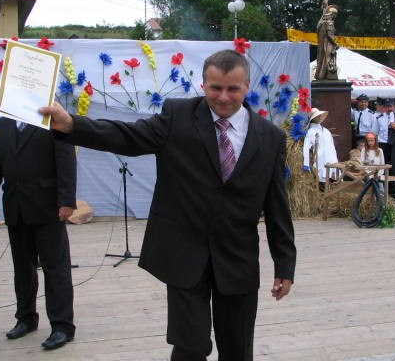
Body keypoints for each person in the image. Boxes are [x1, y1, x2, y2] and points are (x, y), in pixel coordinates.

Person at [40, 49, 296, 361]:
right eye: (215, 88)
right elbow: (128, 136)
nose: (223, 97)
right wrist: (72, 125)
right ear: (203, 84)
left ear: (247, 86)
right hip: (184, 255)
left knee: (238, 350)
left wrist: (284, 265)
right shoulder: (178, 116)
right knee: (191, 347)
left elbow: (277, 205)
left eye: (233, 89)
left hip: (237, 259)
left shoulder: (269, 137)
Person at [0, 118, 77, 350]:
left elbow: (66, 161)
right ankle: (26, 318)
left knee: (55, 268)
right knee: (23, 268)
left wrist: (67, 200)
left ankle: (62, 326)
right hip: (16, 207)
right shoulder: (1, 125)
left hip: (48, 207)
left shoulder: (51, 120)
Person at [303, 108, 339, 183]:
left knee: (334, 179)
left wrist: (335, 159)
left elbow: (333, 148)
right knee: (322, 180)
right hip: (320, 160)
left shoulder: (327, 131)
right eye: (317, 116)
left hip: (332, 159)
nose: (319, 117)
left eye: (319, 115)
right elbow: (306, 148)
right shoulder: (311, 131)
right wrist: (306, 163)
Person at [314, 4, 339, 80]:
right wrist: (335, 44)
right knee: (329, 59)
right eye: (335, 14)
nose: (335, 16)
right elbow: (329, 35)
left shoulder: (322, 23)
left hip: (323, 44)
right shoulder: (329, 22)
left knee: (324, 58)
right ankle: (329, 74)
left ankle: (321, 74)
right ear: (332, 14)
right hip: (328, 44)